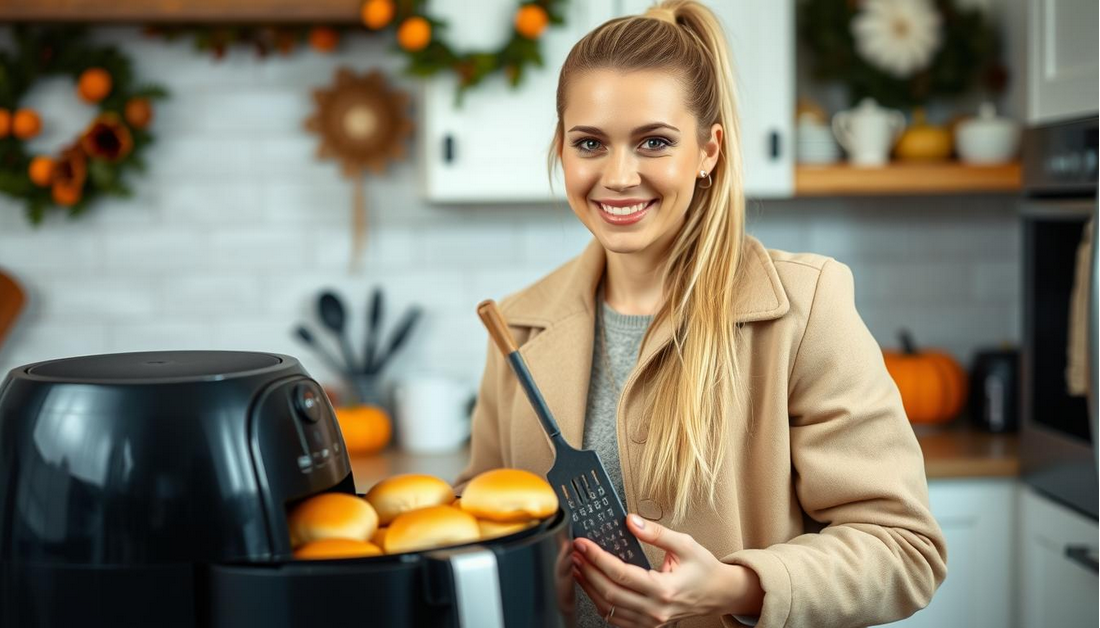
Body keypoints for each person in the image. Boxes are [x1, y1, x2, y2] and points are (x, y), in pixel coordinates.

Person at [453, 1, 947, 626]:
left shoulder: (804, 308)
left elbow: (904, 549)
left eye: (654, 142)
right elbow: (482, 516)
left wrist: (736, 587)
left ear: (709, 150)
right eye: (590, 143)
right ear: (562, 148)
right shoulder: (516, 327)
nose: (619, 176)